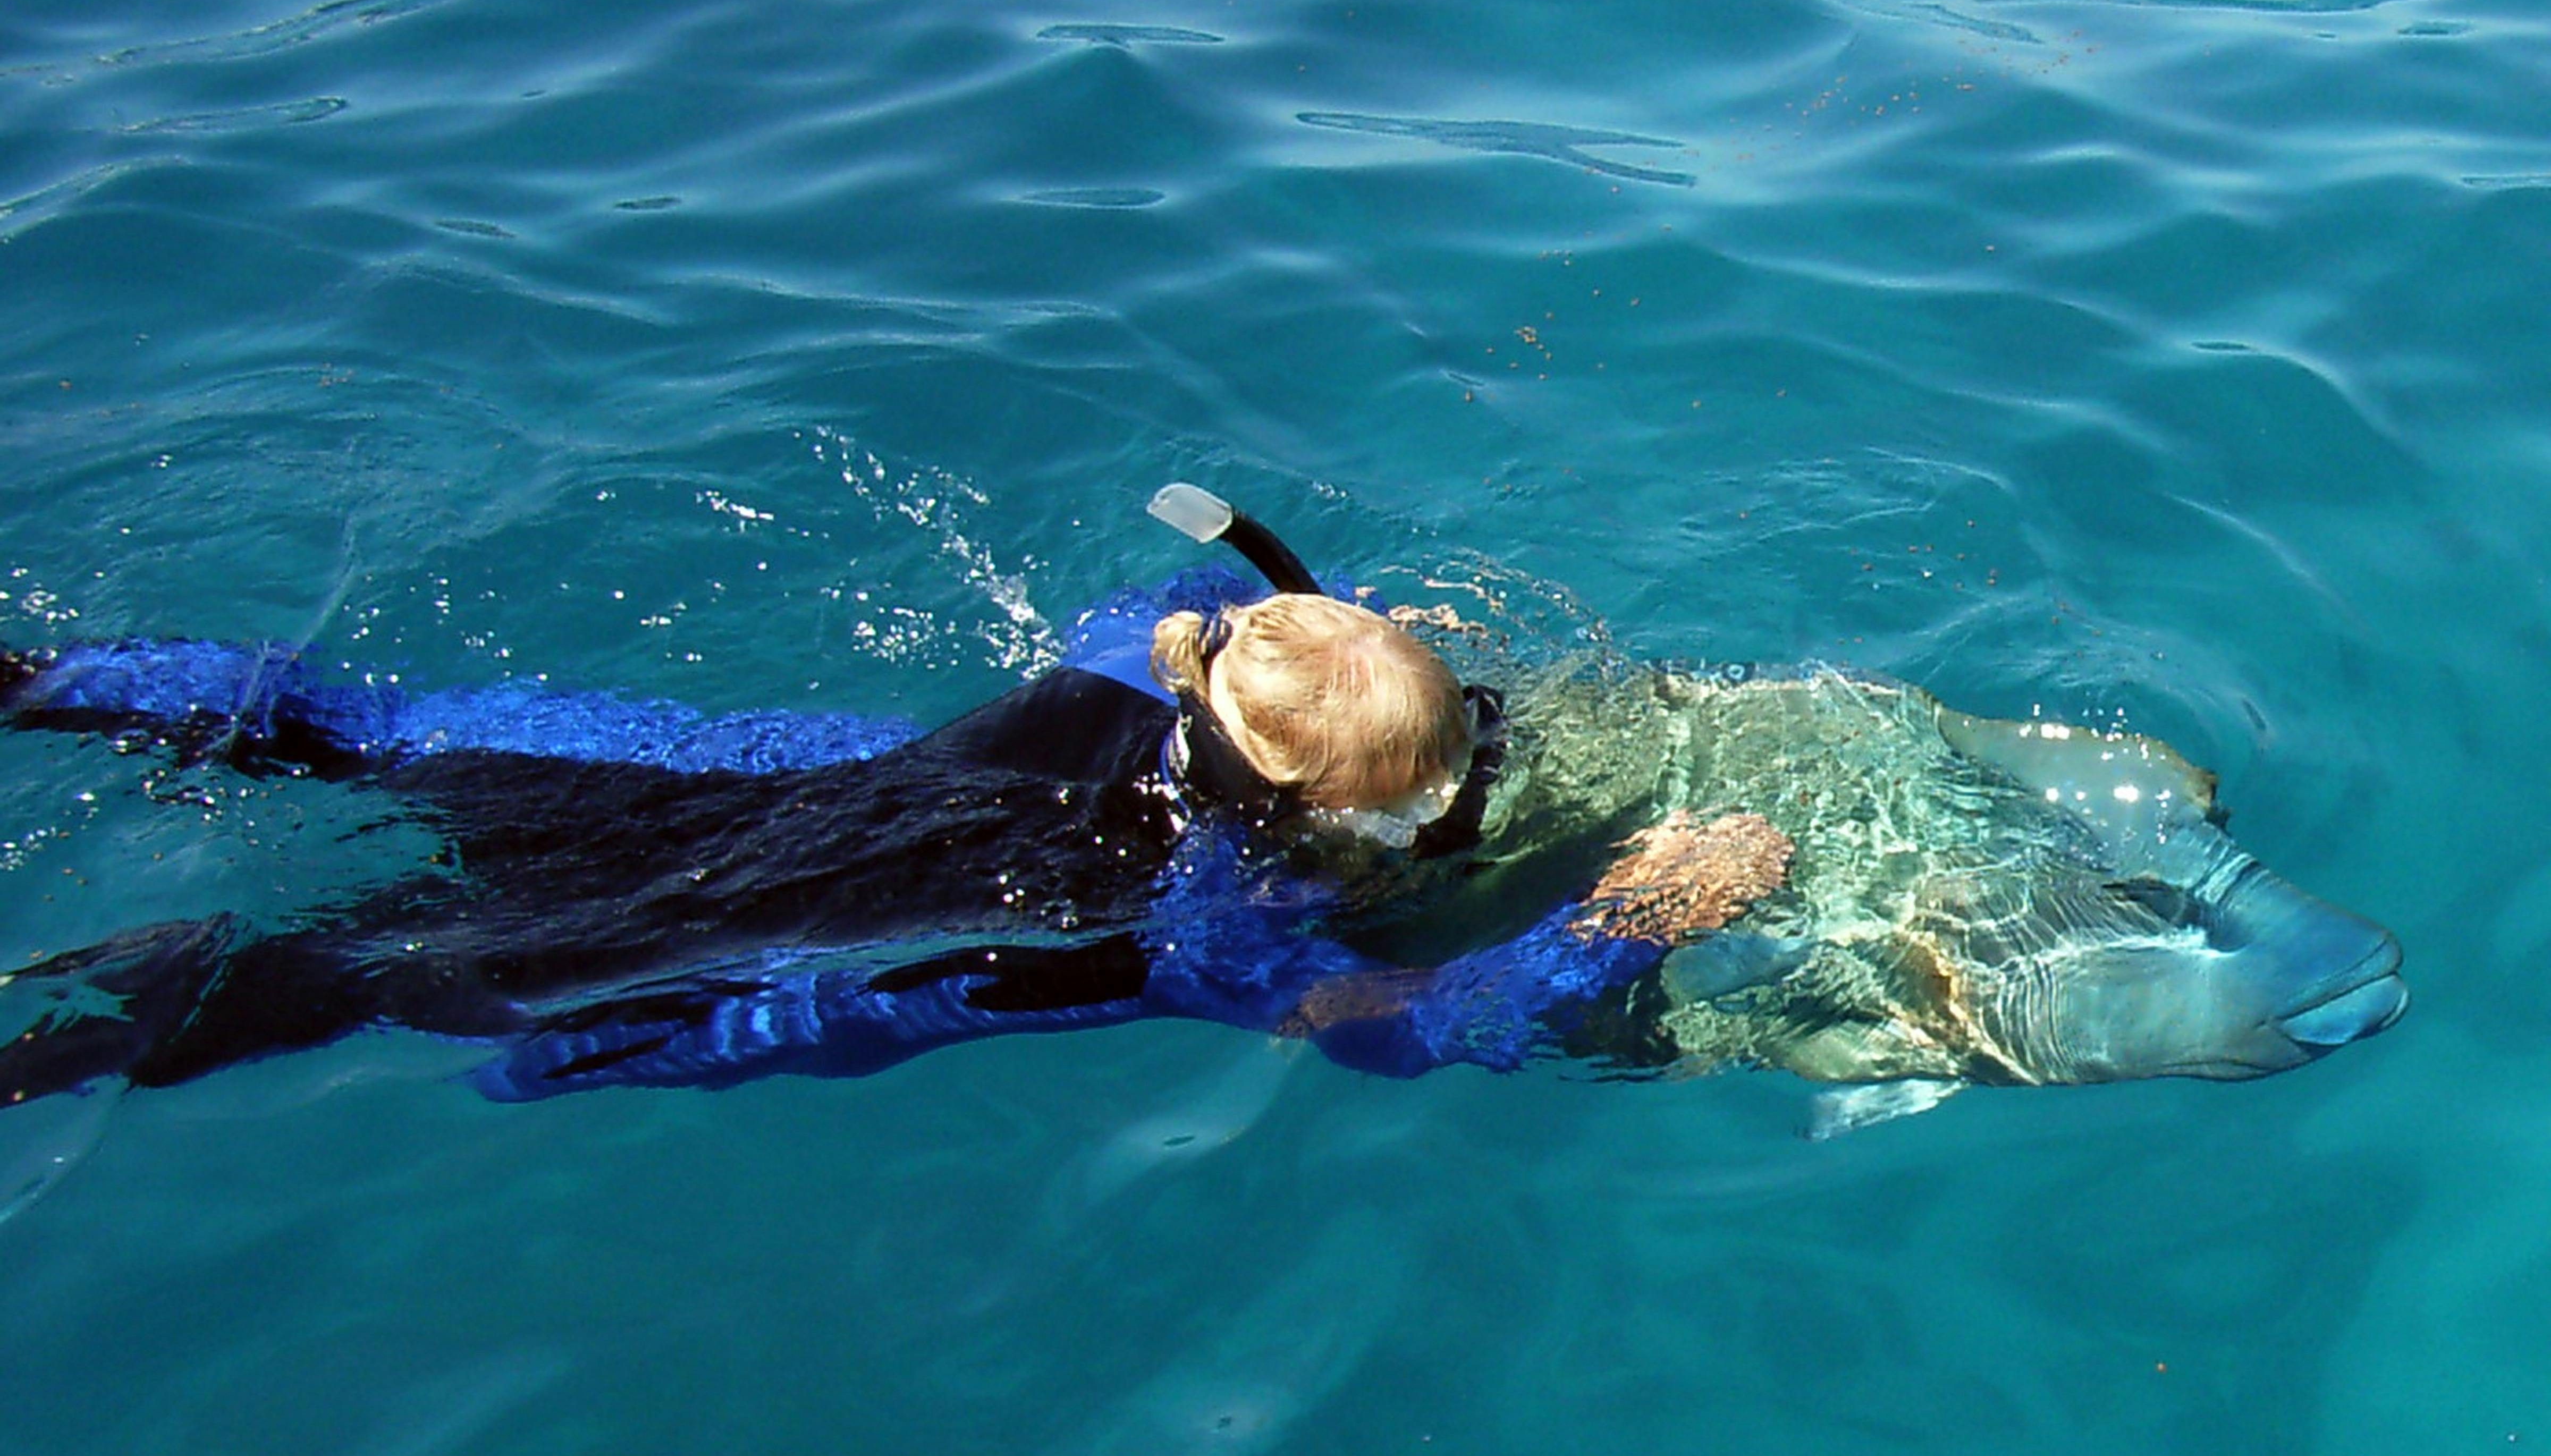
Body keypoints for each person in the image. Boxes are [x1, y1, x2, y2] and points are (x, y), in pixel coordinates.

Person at [0, 489, 1771, 1107]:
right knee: (362, 971)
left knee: (375, 727)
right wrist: (1625, 920)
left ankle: (44, 684)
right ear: (1299, 808)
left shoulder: (1129, 653)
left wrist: (1372, 663)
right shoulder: (1223, 913)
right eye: (1414, 801)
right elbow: (1384, 1029)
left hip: (761, 790)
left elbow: (1298, 643)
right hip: (750, 919)